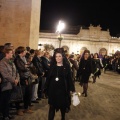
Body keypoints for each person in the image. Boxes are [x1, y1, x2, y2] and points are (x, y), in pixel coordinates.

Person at [45, 48, 75, 120]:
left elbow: (69, 79)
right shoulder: (52, 66)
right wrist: (46, 88)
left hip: (63, 91)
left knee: (63, 109)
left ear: (63, 57)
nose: (57, 58)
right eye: (56, 56)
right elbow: (48, 78)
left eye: (59, 56)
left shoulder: (66, 66)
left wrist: (72, 90)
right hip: (53, 90)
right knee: (52, 107)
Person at [0, 48, 19, 120]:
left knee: (8, 101)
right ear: (7, 54)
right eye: (11, 53)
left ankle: (7, 114)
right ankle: (5, 115)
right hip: (6, 85)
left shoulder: (11, 61)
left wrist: (17, 79)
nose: (12, 54)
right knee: (4, 101)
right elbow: (5, 74)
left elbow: (16, 71)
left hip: (12, 84)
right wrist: (13, 80)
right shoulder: (2, 62)